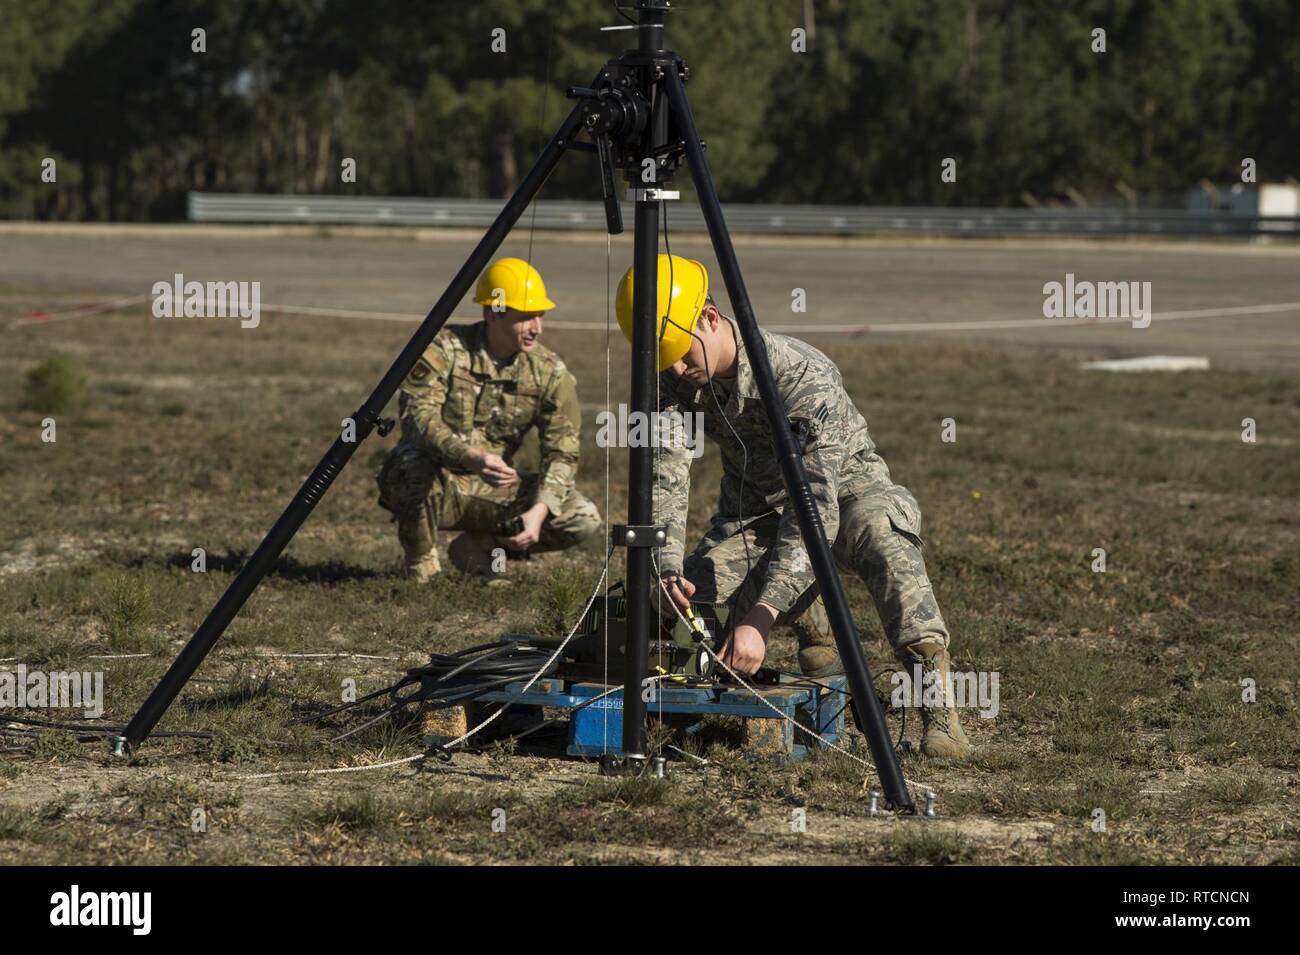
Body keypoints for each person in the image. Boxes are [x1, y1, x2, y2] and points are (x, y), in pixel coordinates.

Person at [618, 254, 972, 758]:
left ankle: (941, 716)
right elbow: (665, 477)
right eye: (663, 357)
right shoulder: (673, 381)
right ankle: (809, 619)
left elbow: (816, 508)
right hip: (753, 514)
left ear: (711, 319)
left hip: (846, 496)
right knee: (684, 614)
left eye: (680, 353)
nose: (676, 368)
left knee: (882, 538)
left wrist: (761, 617)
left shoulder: (800, 376)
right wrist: (668, 570)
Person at [378, 257, 600, 582]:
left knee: (582, 516)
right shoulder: (445, 349)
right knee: (408, 465)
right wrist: (469, 457)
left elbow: (562, 452)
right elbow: (417, 417)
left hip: (496, 492)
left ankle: (481, 547)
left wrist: (538, 512)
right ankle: (421, 568)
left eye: (540, 315)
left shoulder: (549, 371)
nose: (537, 327)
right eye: (526, 317)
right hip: (439, 483)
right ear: (492, 313)